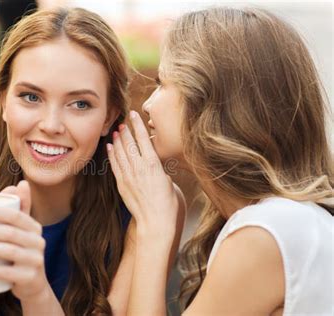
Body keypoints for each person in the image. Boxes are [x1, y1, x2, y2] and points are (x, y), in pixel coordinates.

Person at [108, 7, 334, 315]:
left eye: (162, 82)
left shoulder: (265, 233)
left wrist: (152, 227)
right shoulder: (286, 220)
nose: (147, 104)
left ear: (209, 98)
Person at [0, 7, 134, 315]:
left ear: (108, 117)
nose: (51, 124)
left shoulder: (134, 219)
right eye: (31, 97)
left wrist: (34, 290)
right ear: (3, 100)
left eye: (80, 104)